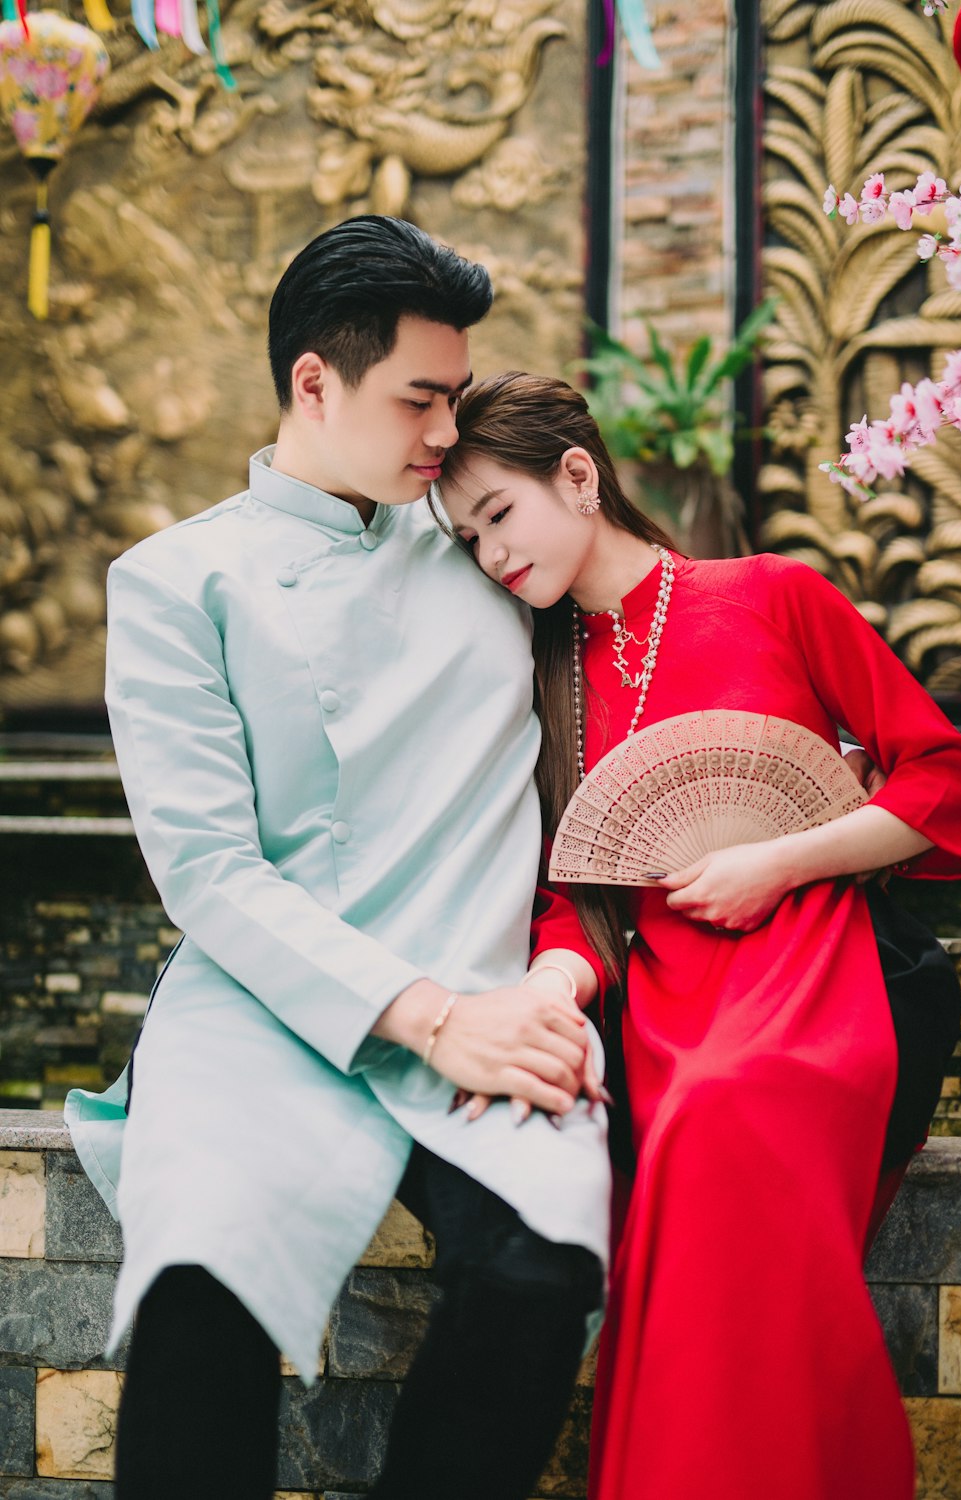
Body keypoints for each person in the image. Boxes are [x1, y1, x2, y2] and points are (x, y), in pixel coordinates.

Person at [64, 220, 613, 1500]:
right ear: (315, 384)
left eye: (455, 396)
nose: (442, 430)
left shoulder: (490, 545)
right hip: (269, 1003)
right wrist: (420, 1019)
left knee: (545, 1260)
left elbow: (639, 658)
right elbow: (205, 869)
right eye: (418, 398)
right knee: (202, 1285)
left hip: (486, 983)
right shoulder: (174, 583)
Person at [435, 370, 961, 1500]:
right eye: (466, 539)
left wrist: (777, 860)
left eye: (499, 514)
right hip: (661, 997)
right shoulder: (542, 679)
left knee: (733, 1109)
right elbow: (569, 894)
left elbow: (944, 775)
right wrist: (550, 991)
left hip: (816, 963)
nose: (492, 557)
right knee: (684, 1124)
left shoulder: (775, 594)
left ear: (578, 475)